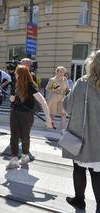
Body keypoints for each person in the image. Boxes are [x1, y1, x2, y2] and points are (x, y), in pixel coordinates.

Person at [63, 50, 100, 212]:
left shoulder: (82, 83)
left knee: (79, 169)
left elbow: (67, 107)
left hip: (81, 137)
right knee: (97, 173)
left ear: (91, 64)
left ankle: (79, 200)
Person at [7, 65, 53, 169]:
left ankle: (25, 156)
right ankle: (14, 159)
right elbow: (15, 98)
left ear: (21, 74)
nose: (15, 74)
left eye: (16, 73)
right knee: (14, 136)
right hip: (14, 112)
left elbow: (43, 101)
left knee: (25, 136)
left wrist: (48, 119)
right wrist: (12, 99)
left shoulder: (31, 85)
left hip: (26, 114)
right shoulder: (16, 83)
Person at [45, 66, 69, 131]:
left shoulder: (65, 79)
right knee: (52, 114)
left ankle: (63, 128)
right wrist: (55, 90)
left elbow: (67, 89)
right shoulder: (53, 80)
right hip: (53, 98)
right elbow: (47, 88)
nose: (62, 73)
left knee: (63, 113)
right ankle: (50, 126)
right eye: (60, 71)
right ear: (57, 72)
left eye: (63, 72)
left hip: (62, 99)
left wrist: (68, 91)